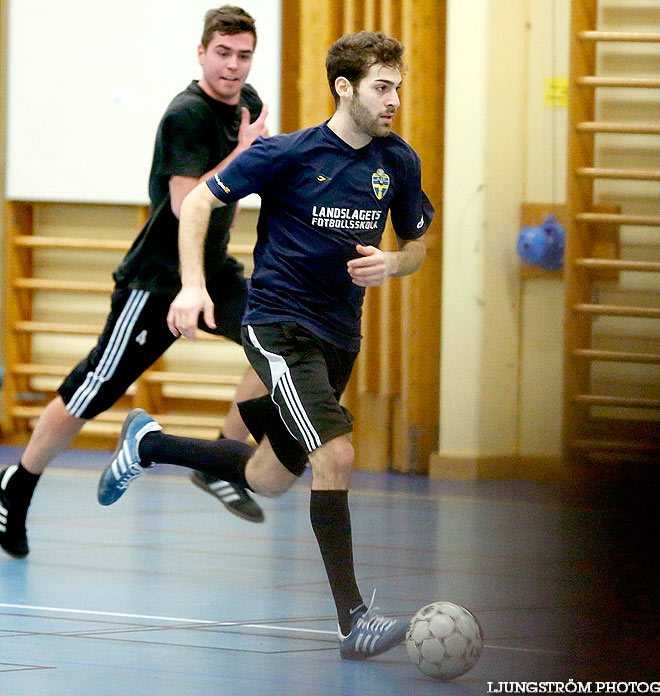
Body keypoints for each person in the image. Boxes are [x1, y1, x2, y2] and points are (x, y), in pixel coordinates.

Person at [96, 30, 434, 660]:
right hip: (277, 324)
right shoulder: (290, 154)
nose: (393, 100)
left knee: (269, 477)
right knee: (335, 453)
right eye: (381, 87)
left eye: (397, 87)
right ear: (345, 87)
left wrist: (394, 264)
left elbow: (416, 246)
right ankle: (352, 620)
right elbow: (196, 202)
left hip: (339, 335)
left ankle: (149, 444)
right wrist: (193, 287)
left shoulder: (399, 162)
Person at [0, 6, 271, 559]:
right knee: (94, 389)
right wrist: (243, 156)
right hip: (157, 278)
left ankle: (220, 459)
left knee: (277, 340)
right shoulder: (187, 115)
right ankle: (17, 484)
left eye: (243, 55)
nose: (233, 66)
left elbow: (233, 196)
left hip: (213, 272)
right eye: (223, 53)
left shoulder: (249, 104)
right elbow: (184, 203)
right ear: (201, 52)